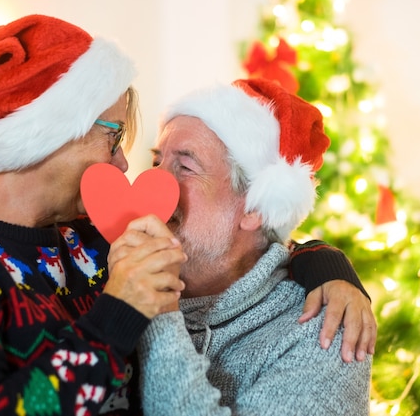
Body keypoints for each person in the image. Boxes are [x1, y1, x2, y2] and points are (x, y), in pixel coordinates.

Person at [0, 15, 373, 416]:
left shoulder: (86, 244)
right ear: (54, 132)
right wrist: (120, 313)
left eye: (183, 164)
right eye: (115, 139)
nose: (125, 168)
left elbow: (257, 247)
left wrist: (326, 264)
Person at [132, 78, 372, 415]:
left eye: (184, 167)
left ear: (254, 209)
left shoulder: (322, 332)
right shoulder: (110, 276)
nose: (152, 182)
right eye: (157, 161)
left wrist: (158, 306)